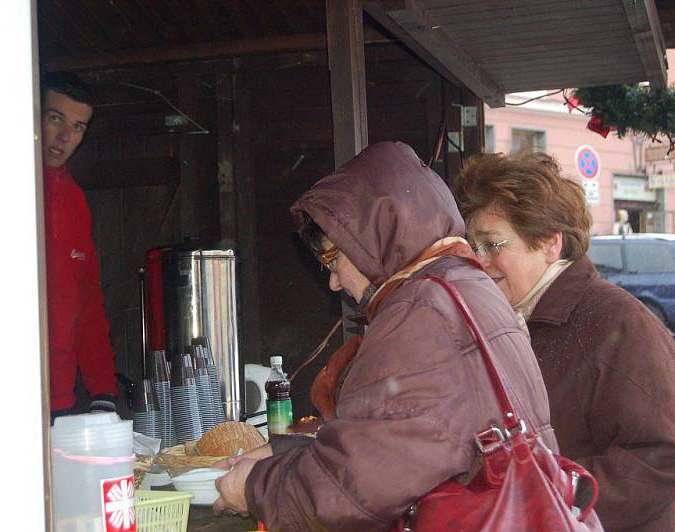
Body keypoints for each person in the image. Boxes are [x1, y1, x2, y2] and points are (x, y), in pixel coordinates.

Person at [212, 142, 558, 530]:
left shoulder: (420, 310)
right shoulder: (463, 286)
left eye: (332, 259)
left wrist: (258, 487)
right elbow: (410, 437)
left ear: (371, 240)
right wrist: (283, 452)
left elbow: (363, 485)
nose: (333, 281)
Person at [457, 152, 675, 531]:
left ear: (551, 243)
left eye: (492, 244)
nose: (479, 260)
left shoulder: (622, 324)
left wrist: (543, 495)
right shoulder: (505, 319)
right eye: (474, 246)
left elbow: (660, 460)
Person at [42, 72, 118, 418]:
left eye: (78, 127)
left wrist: (103, 389)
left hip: (61, 397)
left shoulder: (74, 199)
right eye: (54, 118)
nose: (64, 137)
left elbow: (88, 300)